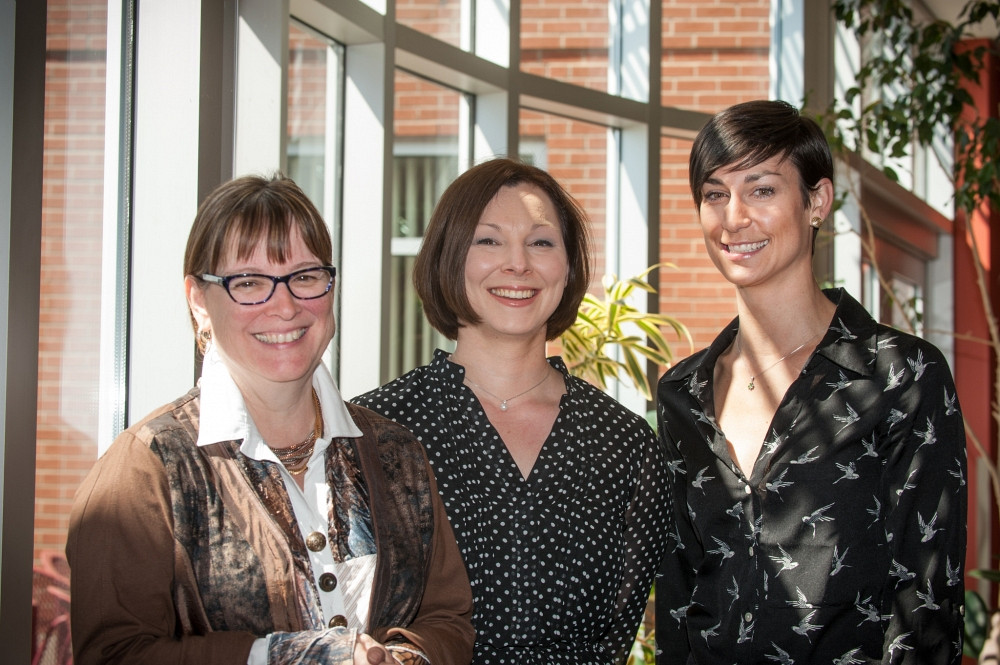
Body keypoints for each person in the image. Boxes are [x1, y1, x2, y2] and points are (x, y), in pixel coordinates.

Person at [66, 173, 474, 665]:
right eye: (249, 283)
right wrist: (284, 656)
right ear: (199, 300)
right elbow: (113, 654)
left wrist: (403, 660)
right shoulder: (145, 470)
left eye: (304, 277)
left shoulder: (395, 452)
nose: (284, 306)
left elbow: (448, 620)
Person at [654, 99, 967, 664]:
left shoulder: (901, 375)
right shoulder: (682, 392)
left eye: (762, 190)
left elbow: (925, 601)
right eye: (715, 194)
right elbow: (679, 592)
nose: (733, 218)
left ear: (816, 202)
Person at [352, 157, 670, 664]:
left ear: (568, 268)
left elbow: (616, 640)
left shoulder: (623, 442)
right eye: (488, 240)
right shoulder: (373, 431)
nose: (518, 264)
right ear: (448, 257)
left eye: (541, 242)